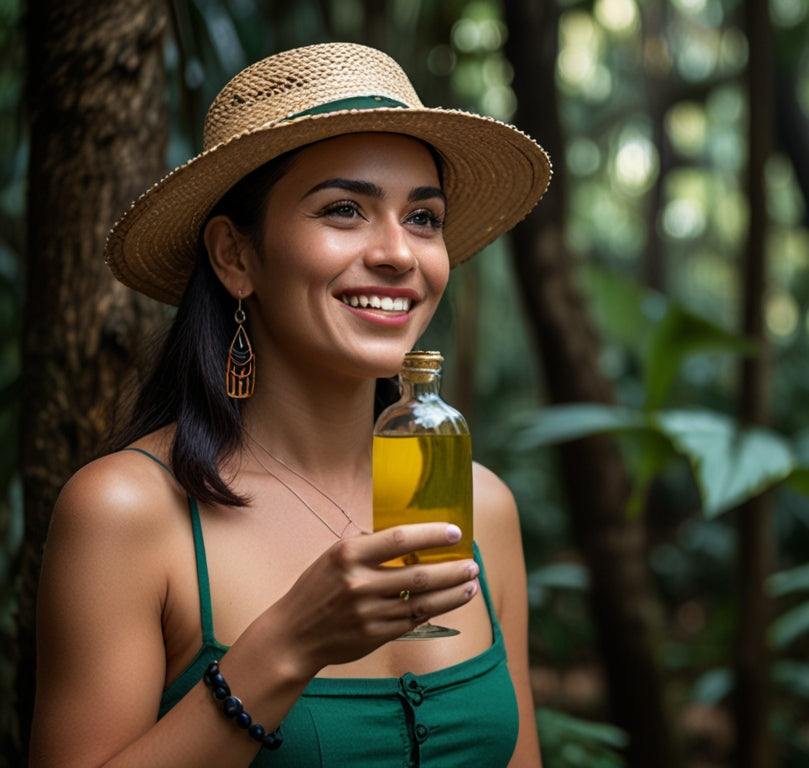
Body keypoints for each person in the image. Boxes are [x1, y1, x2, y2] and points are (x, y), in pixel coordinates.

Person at [29, 42, 550, 767]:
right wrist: (289, 646)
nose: (400, 253)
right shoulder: (128, 511)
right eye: (345, 209)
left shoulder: (479, 505)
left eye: (424, 218)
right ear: (236, 257)